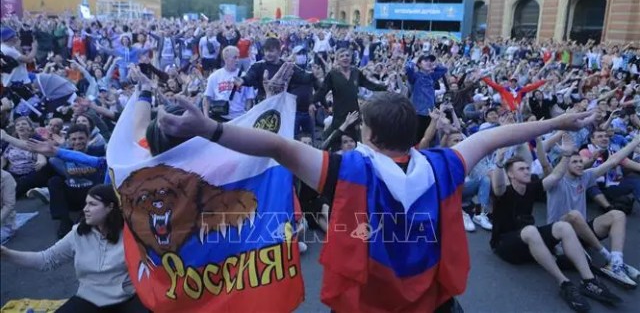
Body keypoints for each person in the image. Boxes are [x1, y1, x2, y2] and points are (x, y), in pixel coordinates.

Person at [154, 70, 601, 312]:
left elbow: (274, 144)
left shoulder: (348, 171)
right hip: (433, 302)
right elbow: (495, 136)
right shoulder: (444, 165)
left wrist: (209, 127)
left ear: (367, 133)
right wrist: (561, 122)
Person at [490, 154, 622, 311]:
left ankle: (589, 281)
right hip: (505, 244)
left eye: (527, 168)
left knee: (562, 226)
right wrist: (499, 163)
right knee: (531, 230)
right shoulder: (504, 191)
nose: (526, 171)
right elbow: (498, 187)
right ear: (510, 174)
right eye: (521, 169)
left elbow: (556, 176)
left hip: (528, 240)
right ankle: (564, 283)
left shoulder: (531, 187)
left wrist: (565, 155)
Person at [0, 184, 148, 312]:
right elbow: (46, 259)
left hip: (127, 299)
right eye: (85, 204)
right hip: (89, 299)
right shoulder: (78, 233)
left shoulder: (132, 234)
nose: (85, 209)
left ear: (110, 207)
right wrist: (6, 254)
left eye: (92, 204)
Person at [545, 135, 640, 288]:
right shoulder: (556, 181)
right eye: (574, 162)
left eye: (580, 161)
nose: (579, 165)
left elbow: (613, 161)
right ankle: (607, 256)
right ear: (564, 165)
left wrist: (635, 141)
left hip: (582, 231)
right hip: (560, 233)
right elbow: (545, 165)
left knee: (618, 214)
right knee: (574, 215)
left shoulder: (586, 176)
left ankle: (615, 263)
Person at [202, 46, 254, 121]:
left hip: (239, 117)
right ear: (225, 58)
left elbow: (249, 99)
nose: (237, 60)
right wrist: (206, 118)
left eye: (238, 57)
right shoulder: (215, 76)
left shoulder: (244, 77)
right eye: (234, 57)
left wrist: (247, 117)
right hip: (219, 116)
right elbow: (207, 98)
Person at [405, 54, 448, 143]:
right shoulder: (415, 76)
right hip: (418, 112)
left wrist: (434, 66)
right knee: (416, 139)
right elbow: (408, 68)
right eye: (425, 61)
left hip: (430, 113)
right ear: (419, 64)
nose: (429, 63)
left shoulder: (432, 76)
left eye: (430, 61)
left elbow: (444, 69)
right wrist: (415, 59)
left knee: (429, 138)